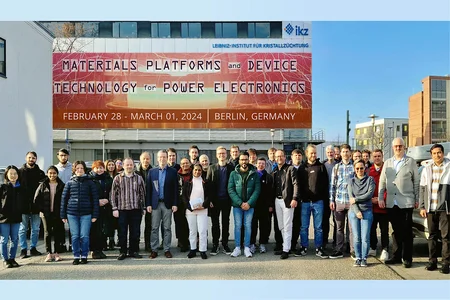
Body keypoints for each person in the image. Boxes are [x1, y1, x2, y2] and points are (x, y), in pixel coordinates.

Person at [379, 137, 419, 268]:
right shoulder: (388, 163)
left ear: (404, 147)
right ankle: (396, 256)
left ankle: (407, 258)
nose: (398, 148)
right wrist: (380, 198)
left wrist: (417, 199)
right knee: (395, 231)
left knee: (407, 231)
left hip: (406, 202)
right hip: (392, 202)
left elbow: (416, 183)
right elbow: (382, 182)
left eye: (400, 146)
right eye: (396, 146)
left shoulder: (411, 162)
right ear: (392, 148)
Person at [61, 161, 99, 265]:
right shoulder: (69, 183)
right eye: (77, 168)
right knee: (75, 236)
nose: (79, 170)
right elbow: (64, 199)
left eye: (81, 168)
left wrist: (95, 214)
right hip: (72, 214)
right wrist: (63, 214)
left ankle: (84, 255)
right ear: (74, 170)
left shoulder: (90, 182)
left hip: (86, 214)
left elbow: (95, 199)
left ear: (84, 170)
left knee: (84, 236)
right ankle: (76, 255)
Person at [419, 143, 450, 274]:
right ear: (431, 155)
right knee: (431, 236)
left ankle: (446, 264)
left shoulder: (449, 167)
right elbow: (422, 188)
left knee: (446, 236)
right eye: (434, 153)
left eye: (439, 153)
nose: (437, 155)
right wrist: (422, 206)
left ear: (443, 153)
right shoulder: (427, 168)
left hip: (445, 208)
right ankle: (432, 261)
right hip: (430, 207)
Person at [296, 144, 329, 259]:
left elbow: (326, 184)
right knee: (304, 227)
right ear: (307, 154)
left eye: (315, 153)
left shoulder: (321, 167)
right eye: (311, 153)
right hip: (305, 202)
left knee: (318, 227)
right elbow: (298, 184)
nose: (313, 155)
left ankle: (318, 248)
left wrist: (324, 198)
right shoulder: (302, 167)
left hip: (318, 202)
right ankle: (304, 247)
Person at [110, 158, 146, 260]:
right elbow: (113, 195)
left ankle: (134, 251)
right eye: (127, 165)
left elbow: (143, 194)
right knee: (122, 232)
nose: (129, 166)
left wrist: (143, 207)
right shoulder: (117, 178)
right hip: (122, 209)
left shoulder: (139, 178)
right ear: (123, 165)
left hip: (135, 209)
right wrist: (114, 208)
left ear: (133, 166)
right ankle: (122, 251)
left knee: (135, 232)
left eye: (131, 165)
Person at [147, 150, 179, 259]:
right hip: (155, 204)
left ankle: (167, 249)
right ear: (157, 158)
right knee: (154, 228)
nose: (162, 159)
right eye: (160, 157)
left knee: (167, 228)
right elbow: (149, 189)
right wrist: (148, 204)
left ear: (167, 158)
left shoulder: (173, 171)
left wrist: (175, 204)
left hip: (167, 204)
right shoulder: (152, 172)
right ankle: (154, 250)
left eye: (164, 157)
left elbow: (175, 189)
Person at [228, 152, 261, 258]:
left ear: (249, 160)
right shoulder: (233, 173)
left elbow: (257, 190)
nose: (244, 162)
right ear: (239, 161)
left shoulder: (254, 173)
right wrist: (240, 203)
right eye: (242, 159)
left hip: (250, 206)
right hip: (237, 206)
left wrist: (249, 203)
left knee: (248, 226)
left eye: (246, 159)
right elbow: (231, 189)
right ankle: (237, 247)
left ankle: (247, 247)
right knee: (238, 226)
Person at [206, 146, 235, 255]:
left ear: (226, 154)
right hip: (215, 201)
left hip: (226, 200)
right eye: (219, 153)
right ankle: (215, 244)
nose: (221, 155)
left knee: (225, 223)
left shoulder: (231, 168)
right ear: (217, 155)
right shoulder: (212, 168)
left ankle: (225, 244)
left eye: (223, 153)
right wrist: (210, 200)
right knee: (215, 224)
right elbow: (208, 186)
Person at [34, 166, 65, 262]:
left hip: (57, 213)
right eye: (50, 173)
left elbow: (64, 199)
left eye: (54, 173)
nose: (52, 175)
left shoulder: (61, 185)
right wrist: (42, 210)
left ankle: (56, 253)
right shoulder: (43, 184)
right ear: (47, 173)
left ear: (57, 174)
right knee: (47, 233)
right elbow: (36, 199)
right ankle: (49, 253)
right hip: (45, 213)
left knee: (57, 233)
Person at [329, 144, 355, 259]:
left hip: (351, 202)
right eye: (343, 151)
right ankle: (339, 250)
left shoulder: (355, 167)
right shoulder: (337, 167)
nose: (345, 154)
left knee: (351, 228)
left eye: (347, 151)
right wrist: (332, 200)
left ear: (350, 153)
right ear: (340, 153)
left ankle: (353, 250)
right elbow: (332, 185)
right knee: (339, 228)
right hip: (339, 201)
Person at [19, 151, 46, 259]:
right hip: (23, 206)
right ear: (26, 158)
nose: (31, 159)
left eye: (33, 158)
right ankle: (23, 249)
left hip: (36, 206)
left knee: (36, 229)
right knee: (22, 229)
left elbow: (43, 191)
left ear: (36, 159)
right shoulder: (19, 172)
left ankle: (33, 248)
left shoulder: (40, 173)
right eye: (29, 157)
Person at [348, 160, 375, 267]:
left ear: (365, 168)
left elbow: (369, 194)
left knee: (365, 237)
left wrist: (357, 199)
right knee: (356, 237)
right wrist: (357, 211)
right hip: (354, 212)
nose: (359, 170)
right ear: (354, 169)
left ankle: (364, 258)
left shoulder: (370, 180)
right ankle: (358, 257)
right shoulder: (351, 181)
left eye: (361, 168)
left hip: (367, 211)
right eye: (357, 168)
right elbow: (351, 199)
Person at [272, 149, 299, 259]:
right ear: (275, 158)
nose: (279, 158)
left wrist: (295, 198)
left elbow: (296, 184)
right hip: (277, 201)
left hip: (287, 201)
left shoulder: (290, 169)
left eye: (281, 156)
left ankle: (286, 249)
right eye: (277, 156)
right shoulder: (275, 171)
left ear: (285, 157)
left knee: (287, 226)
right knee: (281, 226)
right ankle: (285, 246)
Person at [182, 164, 210, 259]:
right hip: (191, 211)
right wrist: (190, 207)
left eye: (199, 170)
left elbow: (209, 196)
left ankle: (202, 250)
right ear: (192, 171)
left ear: (202, 171)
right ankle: (193, 249)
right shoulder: (187, 182)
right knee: (192, 231)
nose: (197, 172)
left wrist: (204, 205)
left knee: (202, 231)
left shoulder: (205, 182)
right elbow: (184, 197)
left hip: (202, 210)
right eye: (195, 170)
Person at [0, 165, 25, 268]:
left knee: (14, 239)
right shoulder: (3, 187)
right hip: (3, 218)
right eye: (11, 174)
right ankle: (5, 259)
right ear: (7, 175)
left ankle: (12, 258)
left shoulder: (20, 188)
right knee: (4, 240)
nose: (13, 176)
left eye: (15, 174)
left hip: (16, 218)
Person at [368, 149, 389, 261]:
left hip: (383, 206)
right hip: (372, 206)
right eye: (375, 156)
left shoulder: (387, 170)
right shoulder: (369, 171)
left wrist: (382, 198)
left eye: (379, 156)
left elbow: (390, 187)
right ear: (372, 158)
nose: (377, 158)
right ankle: (373, 247)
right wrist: (371, 199)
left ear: (382, 157)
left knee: (384, 230)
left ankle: (385, 249)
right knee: (372, 228)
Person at [89, 160, 113, 259]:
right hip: (94, 208)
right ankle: (94, 250)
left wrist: (108, 200)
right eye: (97, 168)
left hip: (106, 207)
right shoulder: (89, 179)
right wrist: (97, 201)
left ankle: (100, 249)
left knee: (103, 229)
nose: (99, 170)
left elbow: (113, 192)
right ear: (93, 169)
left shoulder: (108, 179)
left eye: (101, 167)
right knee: (94, 230)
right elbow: (88, 194)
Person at [250, 157, 273, 254]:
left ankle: (262, 243)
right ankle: (252, 244)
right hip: (253, 205)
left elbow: (271, 192)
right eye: (259, 163)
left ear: (265, 165)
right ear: (256, 164)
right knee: (253, 225)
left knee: (264, 226)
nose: (261, 165)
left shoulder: (269, 177)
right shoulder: (252, 176)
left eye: (263, 163)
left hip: (264, 206)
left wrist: (270, 205)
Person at [135, 152, 153, 253]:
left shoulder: (153, 171)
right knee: (136, 225)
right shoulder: (135, 171)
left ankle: (148, 245)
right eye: (144, 159)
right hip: (137, 202)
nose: (146, 161)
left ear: (150, 160)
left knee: (149, 225)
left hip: (149, 201)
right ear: (140, 159)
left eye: (147, 159)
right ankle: (135, 245)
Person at [323, 145, 337, 248]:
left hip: (336, 197)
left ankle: (336, 241)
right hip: (325, 197)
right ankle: (324, 240)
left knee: (336, 220)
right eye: (328, 152)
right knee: (325, 219)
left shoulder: (338, 165)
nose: (330, 154)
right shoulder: (323, 165)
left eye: (331, 152)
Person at [104, 159, 118, 250]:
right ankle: (105, 241)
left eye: (112, 165)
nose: (111, 166)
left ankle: (112, 240)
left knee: (114, 223)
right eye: (109, 165)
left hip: (116, 202)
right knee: (106, 222)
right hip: (106, 203)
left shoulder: (117, 176)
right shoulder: (104, 176)